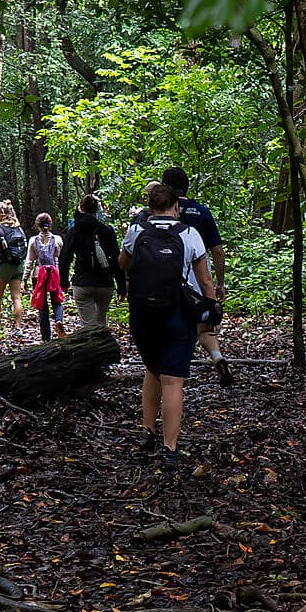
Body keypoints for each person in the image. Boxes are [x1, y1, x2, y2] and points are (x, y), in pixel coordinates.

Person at [121, 181, 214, 469]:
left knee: (151, 369)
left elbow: (122, 263)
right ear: (176, 206)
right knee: (173, 380)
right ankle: (170, 447)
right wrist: (210, 313)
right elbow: (204, 280)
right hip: (177, 312)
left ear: (150, 208)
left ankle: (147, 430)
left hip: (143, 313)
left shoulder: (136, 231)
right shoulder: (189, 234)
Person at [136, 167, 231, 386]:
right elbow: (217, 250)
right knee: (203, 325)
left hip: (163, 285)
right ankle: (216, 357)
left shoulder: (154, 215)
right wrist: (220, 283)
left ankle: (170, 380)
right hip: (197, 282)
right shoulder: (202, 212)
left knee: (170, 336)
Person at [61, 194, 124, 330]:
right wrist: (121, 286)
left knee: (88, 326)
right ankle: (102, 348)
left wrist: (64, 282)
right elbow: (116, 258)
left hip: (83, 282)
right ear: (96, 210)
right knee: (101, 323)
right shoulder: (106, 230)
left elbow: (65, 257)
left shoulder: (75, 230)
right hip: (105, 284)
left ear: (81, 207)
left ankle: (91, 349)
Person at [23, 214, 67, 342]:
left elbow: (30, 261)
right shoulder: (57, 239)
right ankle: (59, 320)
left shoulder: (33, 241)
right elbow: (60, 258)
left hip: (39, 273)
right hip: (54, 272)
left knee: (42, 304)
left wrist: (25, 279)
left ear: (37, 225)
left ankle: (46, 337)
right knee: (57, 300)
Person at [0, 200, 28, 332]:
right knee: (16, 297)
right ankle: (18, 327)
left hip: (3, 267)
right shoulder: (19, 229)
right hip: (18, 266)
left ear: (3, 215)